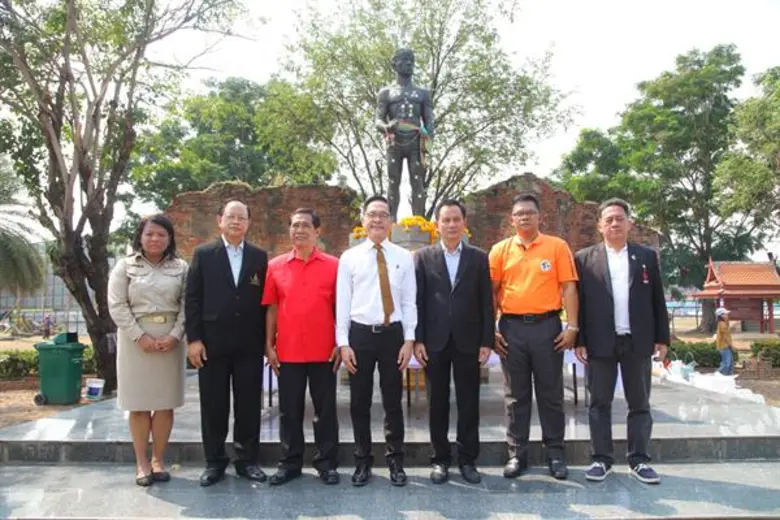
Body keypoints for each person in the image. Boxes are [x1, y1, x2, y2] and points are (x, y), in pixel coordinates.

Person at [574, 198, 670, 485]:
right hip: (600, 342)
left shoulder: (645, 257)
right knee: (599, 403)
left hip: (636, 341)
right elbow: (579, 303)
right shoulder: (584, 259)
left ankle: (639, 460)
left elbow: (657, 299)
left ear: (629, 224)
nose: (614, 223)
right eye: (609, 219)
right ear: (600, 226)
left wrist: (662, 338)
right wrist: (580, 339)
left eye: (620, 218)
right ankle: (601, 459)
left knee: (639, 403)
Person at [489, 192, 579, 480]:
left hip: (547, 327)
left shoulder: (556, 247)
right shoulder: (500, 250)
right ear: (512, 219)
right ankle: (517, 454)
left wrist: (572, 327)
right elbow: (491, 291)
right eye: (519, 213)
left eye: (529, 212)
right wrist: (490, 330)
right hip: (511, 329)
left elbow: (569, 287)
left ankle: (556, 454)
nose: (524, 217)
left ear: (540, 217)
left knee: (551, 393)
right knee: (515, 396)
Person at [185, 199, 268, 487]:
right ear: (219, 220)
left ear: (248, 223)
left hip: (249, 343)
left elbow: (265, 302)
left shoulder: (259, 256)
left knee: (249, 404)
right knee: (213, 405)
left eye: (241, 217)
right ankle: (214, 461)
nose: (236, 221)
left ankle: (247, 461)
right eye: (230, 216)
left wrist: (268, 341)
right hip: (211, 344)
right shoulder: (203, 254)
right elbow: (192, 299)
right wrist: (194, 339)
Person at [336, 195, 416, 487]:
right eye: (372, 214)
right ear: (363, 219)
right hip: (360, 336)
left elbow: (409, 301)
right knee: (359, 402)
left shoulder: (404, 257)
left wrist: (409, 339)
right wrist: (343, 343)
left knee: (393, 402)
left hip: (393, 335)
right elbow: (342, 303)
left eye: (383, 214)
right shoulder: (349, 258)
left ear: (391, 221)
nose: (378, 219)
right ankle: (362, 461)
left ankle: (395, 460)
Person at [413, 199, 494, 484]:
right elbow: (418, 301)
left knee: (469, 401)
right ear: (437, 225)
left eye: (456, 219)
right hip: (434, 341)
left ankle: (468, 459)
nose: (451, 225)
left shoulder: (478, 258)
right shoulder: (422, 257)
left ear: (464, 223)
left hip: (468, 340)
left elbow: (486, 302)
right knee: (437, 402)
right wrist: (418, 339)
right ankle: (440, 459)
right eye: (445, 220)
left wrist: (486, 341)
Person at [107, 214, 187, 486]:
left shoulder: (181, 267)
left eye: (161, 234)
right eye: (149, 234)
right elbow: (117, 305)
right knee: (138, 405)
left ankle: (158, 460)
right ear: (140, 237)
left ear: (170, 238)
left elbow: (188, 305)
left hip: (170, 341)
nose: (155, 239)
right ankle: (141, 463)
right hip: (135, 342)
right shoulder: (124, 266)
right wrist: (138, 336)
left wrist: (175, 335)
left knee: (165, 405)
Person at [263, 208, 341, 486]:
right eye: (295, 225)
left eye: (306, 225)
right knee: (289, 411)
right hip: (289, 350)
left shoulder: (334, 265)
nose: (299, 230)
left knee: (325, 411)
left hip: (325, 351)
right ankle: (290, 463)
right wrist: (268, 345)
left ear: (317, 231)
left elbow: (341, 308)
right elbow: (272, 308)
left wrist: (340, 343)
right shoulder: (275, 266)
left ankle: (327, 463)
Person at [375, 48, 435, 217]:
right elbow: (378, 120)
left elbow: (429, 120)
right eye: (404, 60)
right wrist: (386, 127)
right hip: (395, 141)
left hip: (416, 141)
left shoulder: (423, 93)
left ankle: (419, 222)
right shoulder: (386, 93)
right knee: (393, 181)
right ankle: (391, 220)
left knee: (418, 181)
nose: (409, 63)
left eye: (411, 60)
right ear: (394, 64)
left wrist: (428, 142)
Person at [715, 307, 734, 375]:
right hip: (724, 346)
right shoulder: (722, 324)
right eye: (725, 314)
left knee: (730, 363)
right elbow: (725, 336)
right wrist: (731, 345)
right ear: (721, 315)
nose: (727, 315)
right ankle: (719, 375)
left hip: (726, 345)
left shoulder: (724, 323)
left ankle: (728, 376)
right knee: (727, 363)